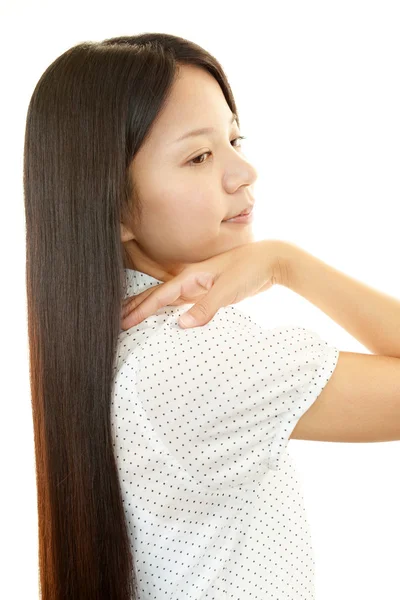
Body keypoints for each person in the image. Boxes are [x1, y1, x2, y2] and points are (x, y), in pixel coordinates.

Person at [23, 32, 400, 600]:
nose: (243, 170)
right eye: (199, 156)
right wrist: (286, 263)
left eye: (233, 138)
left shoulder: (125, 346)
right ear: (115, 206)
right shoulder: (192, 358)